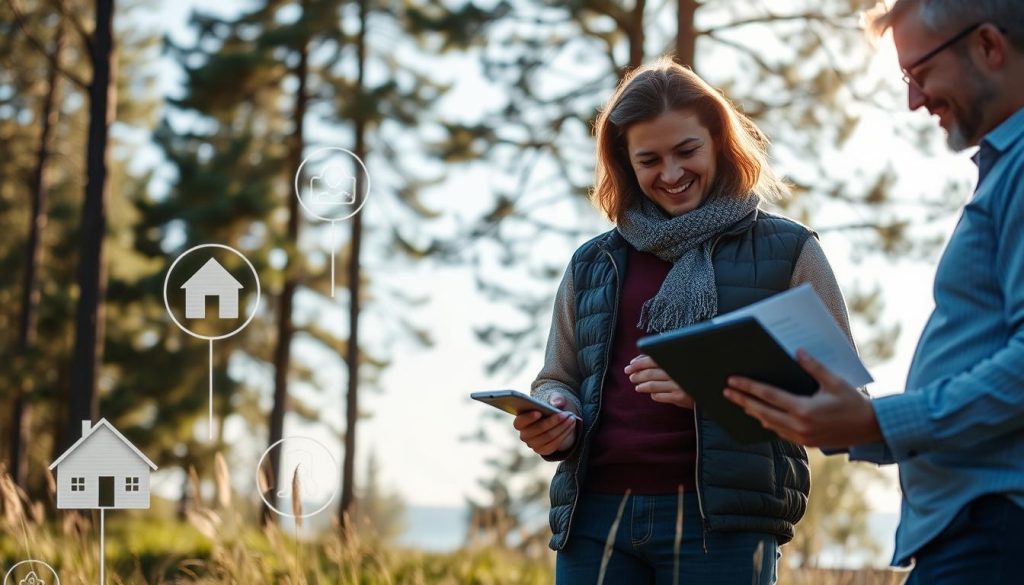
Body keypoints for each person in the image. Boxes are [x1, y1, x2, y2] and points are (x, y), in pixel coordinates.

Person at [513, 57, 856, 584]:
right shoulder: (594, 262)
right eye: (649, 159)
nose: (671, 174)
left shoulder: (789, 251)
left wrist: (714, 387)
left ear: (719, 142)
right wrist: (556, 414)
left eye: (687, 151)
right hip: (595, 520)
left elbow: (841, 397)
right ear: (625, 164)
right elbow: (559, 376)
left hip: (723, 527)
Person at [723, 1, 1024, 582]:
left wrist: (876, 424)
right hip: (972, 526)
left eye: (920, 74)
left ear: (988, 45)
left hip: (995, 528)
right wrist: (866, 425)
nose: (914, 100)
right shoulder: (1004, 170)